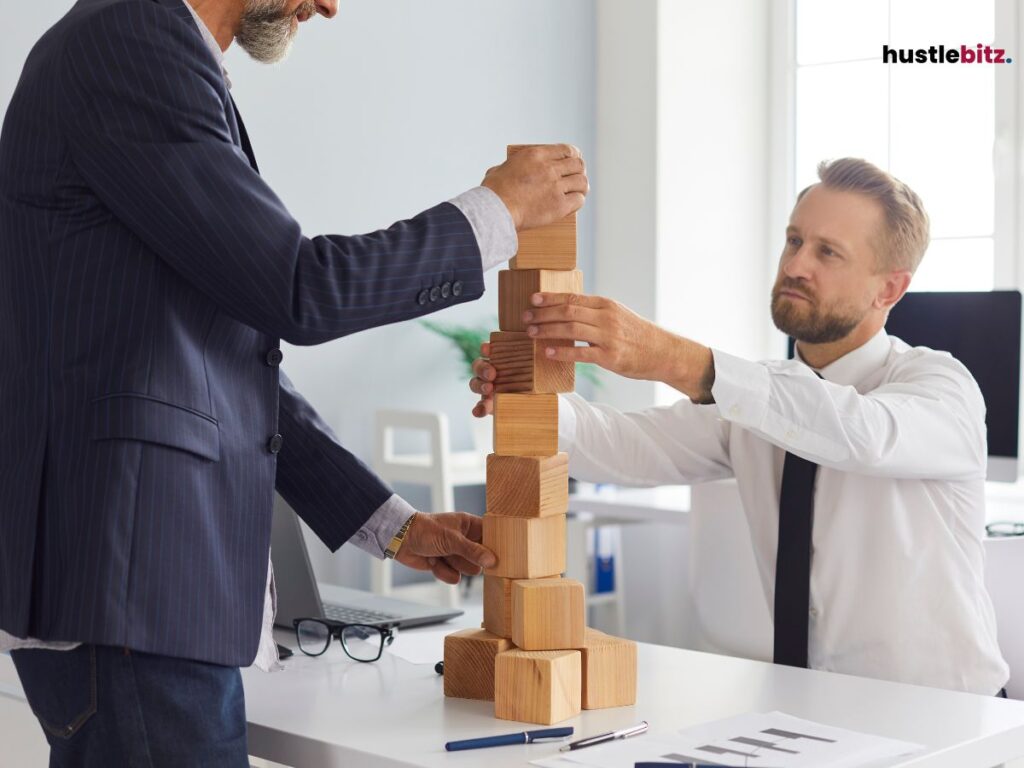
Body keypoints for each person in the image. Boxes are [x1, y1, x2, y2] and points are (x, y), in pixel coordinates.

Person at [0, 0, 588, 763]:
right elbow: (298, 291)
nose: (330, 5)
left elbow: (224, 355)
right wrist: (496, 213)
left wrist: (391, 524)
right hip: (135, 600)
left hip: (141, 606)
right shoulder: (130, 43)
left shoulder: (147, 49)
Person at [471, 157, 1009, 696]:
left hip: (948, 717)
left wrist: (670, 357)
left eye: (828, 252)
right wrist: (527, 400)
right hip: (812, 711)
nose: (797, 265)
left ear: (888, 290)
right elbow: (626, 448)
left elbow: (860, 434)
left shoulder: (941, 387)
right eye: (794, 240)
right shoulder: (760, 398)